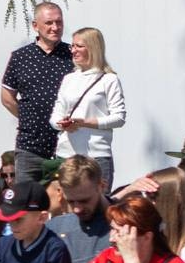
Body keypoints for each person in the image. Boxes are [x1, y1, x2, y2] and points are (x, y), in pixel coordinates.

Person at [1, 2, 73, 182]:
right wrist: (29, 118)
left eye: (59, 22)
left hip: (67, 146)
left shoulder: (73, 55)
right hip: (30, 147)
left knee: (65, 204)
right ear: (35, 26)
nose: (55, 27)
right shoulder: (21, 57)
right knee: (27, 203)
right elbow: (7, 97)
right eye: (49, 23)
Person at [47, 27, 126, 188]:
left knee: (99, 205)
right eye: (72, 46)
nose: (73, 50)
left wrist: (85, 123)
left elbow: (119, 117)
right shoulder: (69, 79)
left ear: (93, 48)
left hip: (96, 155)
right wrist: (62, 124)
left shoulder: (108, 79)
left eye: (79, 46)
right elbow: (56, 115)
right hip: (66, 154)